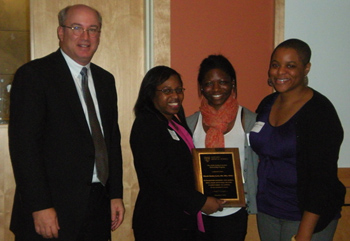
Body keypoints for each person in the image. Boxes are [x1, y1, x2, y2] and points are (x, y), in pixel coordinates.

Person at [9, 4, 124, 241]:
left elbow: (111, 141)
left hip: (97, 206)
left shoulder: (105, 81)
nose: (85, 36)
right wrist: (39, 206)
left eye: (93, 29)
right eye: (76, 28)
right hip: (51, 210)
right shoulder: (34, 75)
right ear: (61, 32)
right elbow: (24, 147)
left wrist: (115, 194)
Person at [249, 38, 345, 241]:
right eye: (275, 65)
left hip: (305, 216)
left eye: (290, 66)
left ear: (306, 68)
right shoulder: (267, 104)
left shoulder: (320, 112)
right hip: (268, 210)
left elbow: (322, 179)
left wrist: (304, 233)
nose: (280, 72)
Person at [130, 65, 225, 241]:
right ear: (151, 93)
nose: (175, 96)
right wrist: (200, 202)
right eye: (166, 90)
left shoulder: (174, 123)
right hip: (159, 223)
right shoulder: (146, 125)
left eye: (178, 90)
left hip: (179, 219)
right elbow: (160, 178)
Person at [186, 54, 259, 241]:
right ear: (201, 86)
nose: (216, 88)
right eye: (209, 83)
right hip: (199, 215)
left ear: (233, 84)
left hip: (234, 215)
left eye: (223, 82)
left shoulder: (250, 121)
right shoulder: (190, 124)